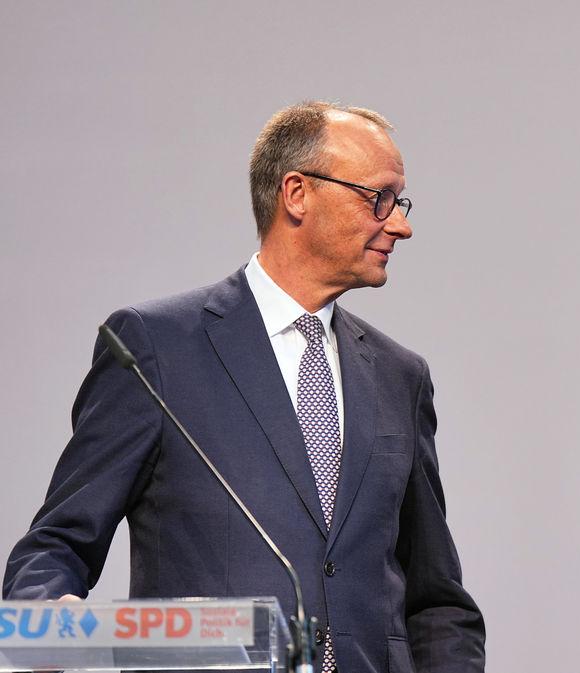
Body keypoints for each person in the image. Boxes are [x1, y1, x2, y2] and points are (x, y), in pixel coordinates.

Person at [4, 101, 485, 673]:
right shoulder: (155, 351)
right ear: (297, 194)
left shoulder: (400, 376)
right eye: (377, 198)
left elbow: (437, 602)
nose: (400, 223)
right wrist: (55, 628)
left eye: (398, 202)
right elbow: (54, 548)